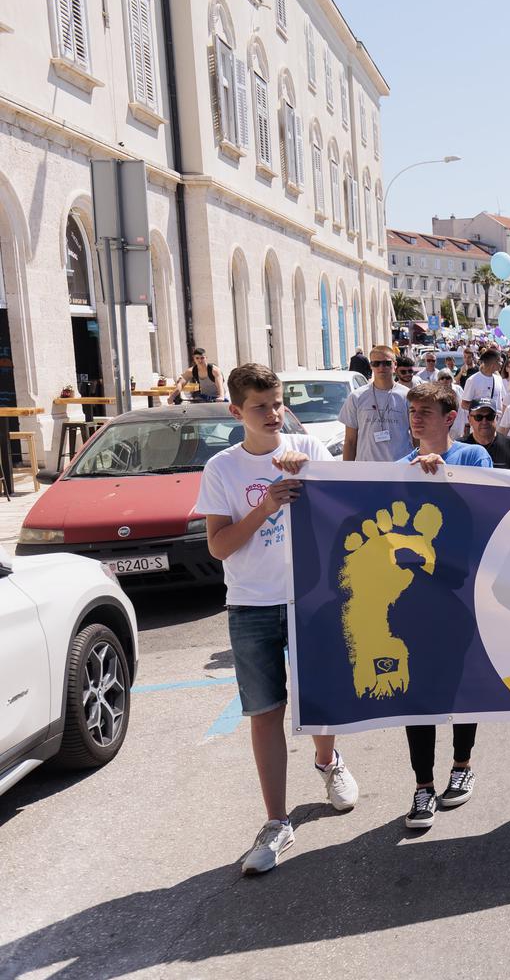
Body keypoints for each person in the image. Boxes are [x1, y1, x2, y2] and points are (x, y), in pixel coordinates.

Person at [196, 363, 357, 874]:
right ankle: (276, 821)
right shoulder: (222, 469)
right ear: (235, 412)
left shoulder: (307, 451)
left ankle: (328, 763)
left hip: (311, 598)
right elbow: (219, 546)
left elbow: (355, 502)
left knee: (321, 697)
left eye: (278, 403)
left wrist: (423, 463)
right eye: (261, 406)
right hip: (252, 604)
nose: (273, 413)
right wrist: (264, 507)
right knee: (265, 711)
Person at [397, 381, 492, 830]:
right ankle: (422, 786)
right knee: (417, 694)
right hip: (413, 602)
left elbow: (484, 506)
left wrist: (445, 476)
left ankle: (461, 764)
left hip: (462, 594)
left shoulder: (472, 457)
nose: (416, 418)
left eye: (426, 411)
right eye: (412, 410)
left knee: (459, 685)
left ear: (450, 417)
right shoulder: (399, 467)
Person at [339, 344, 413, 462]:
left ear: (395, 365)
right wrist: (349, 474)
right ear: (371, 366)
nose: (381, 367)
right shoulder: (356, 397)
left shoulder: (408, 396)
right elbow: (350, 441)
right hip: (367, 471)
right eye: (376, 363)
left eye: (386, 363)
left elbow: (417, 436)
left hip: (401, 467)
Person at [465, 399, 510, 470]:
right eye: (478, 417)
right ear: (469, 419)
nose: (484, 421)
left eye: (490, 416)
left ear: (496, 418)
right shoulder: (460, 447)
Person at [461, 348, 510, 417]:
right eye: (500, 362)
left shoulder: (499, 379)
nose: (502, 364)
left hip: (497, 423)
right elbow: (464, 404)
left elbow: (503, 401)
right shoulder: (472, 380)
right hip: (480, 424)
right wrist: (482, 412)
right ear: (493, 363)